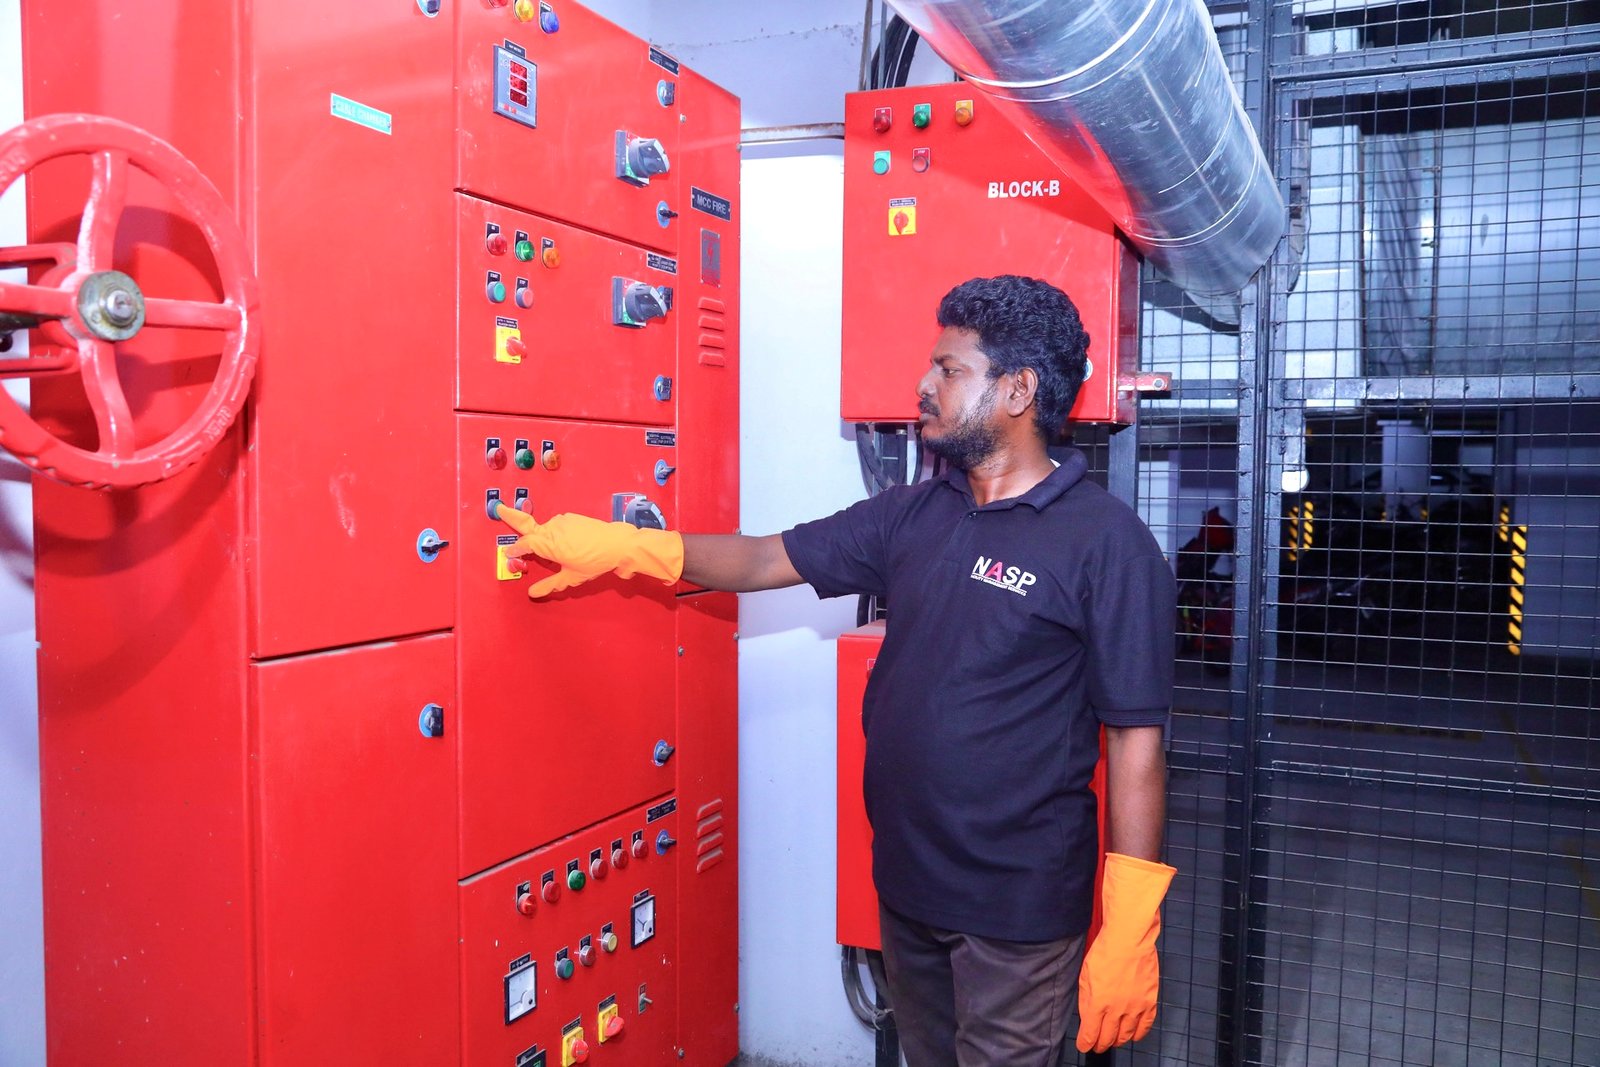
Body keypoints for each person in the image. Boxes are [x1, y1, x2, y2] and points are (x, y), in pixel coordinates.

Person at [495, 275, 1177, 1066]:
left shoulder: (1106, 543)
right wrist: (628, 548)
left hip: (1016, 908)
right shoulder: (913, 513)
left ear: (1018, 390)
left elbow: (1136, 741)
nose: (924, 383)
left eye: (949, 368)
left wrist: (1131, 922)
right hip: (908, 882)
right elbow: (762, 558)